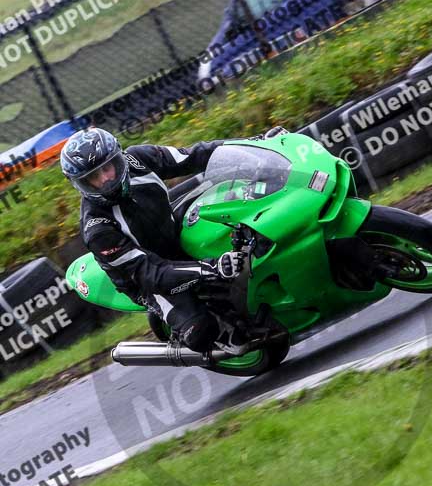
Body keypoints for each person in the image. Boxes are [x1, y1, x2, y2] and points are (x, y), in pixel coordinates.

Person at [60, 126, 283, 355]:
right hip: (146, 280)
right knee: (200, 331)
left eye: (107, 168)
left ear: (118, 158)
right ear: (81, 185)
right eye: (93, 178)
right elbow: (151, 273)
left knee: (236, 208)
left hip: (171, 230)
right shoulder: (97, 228)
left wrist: (257, 145)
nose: (106, 179)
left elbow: (196, 155)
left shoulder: (138, 158)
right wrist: (211, 268)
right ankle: (225, 338)